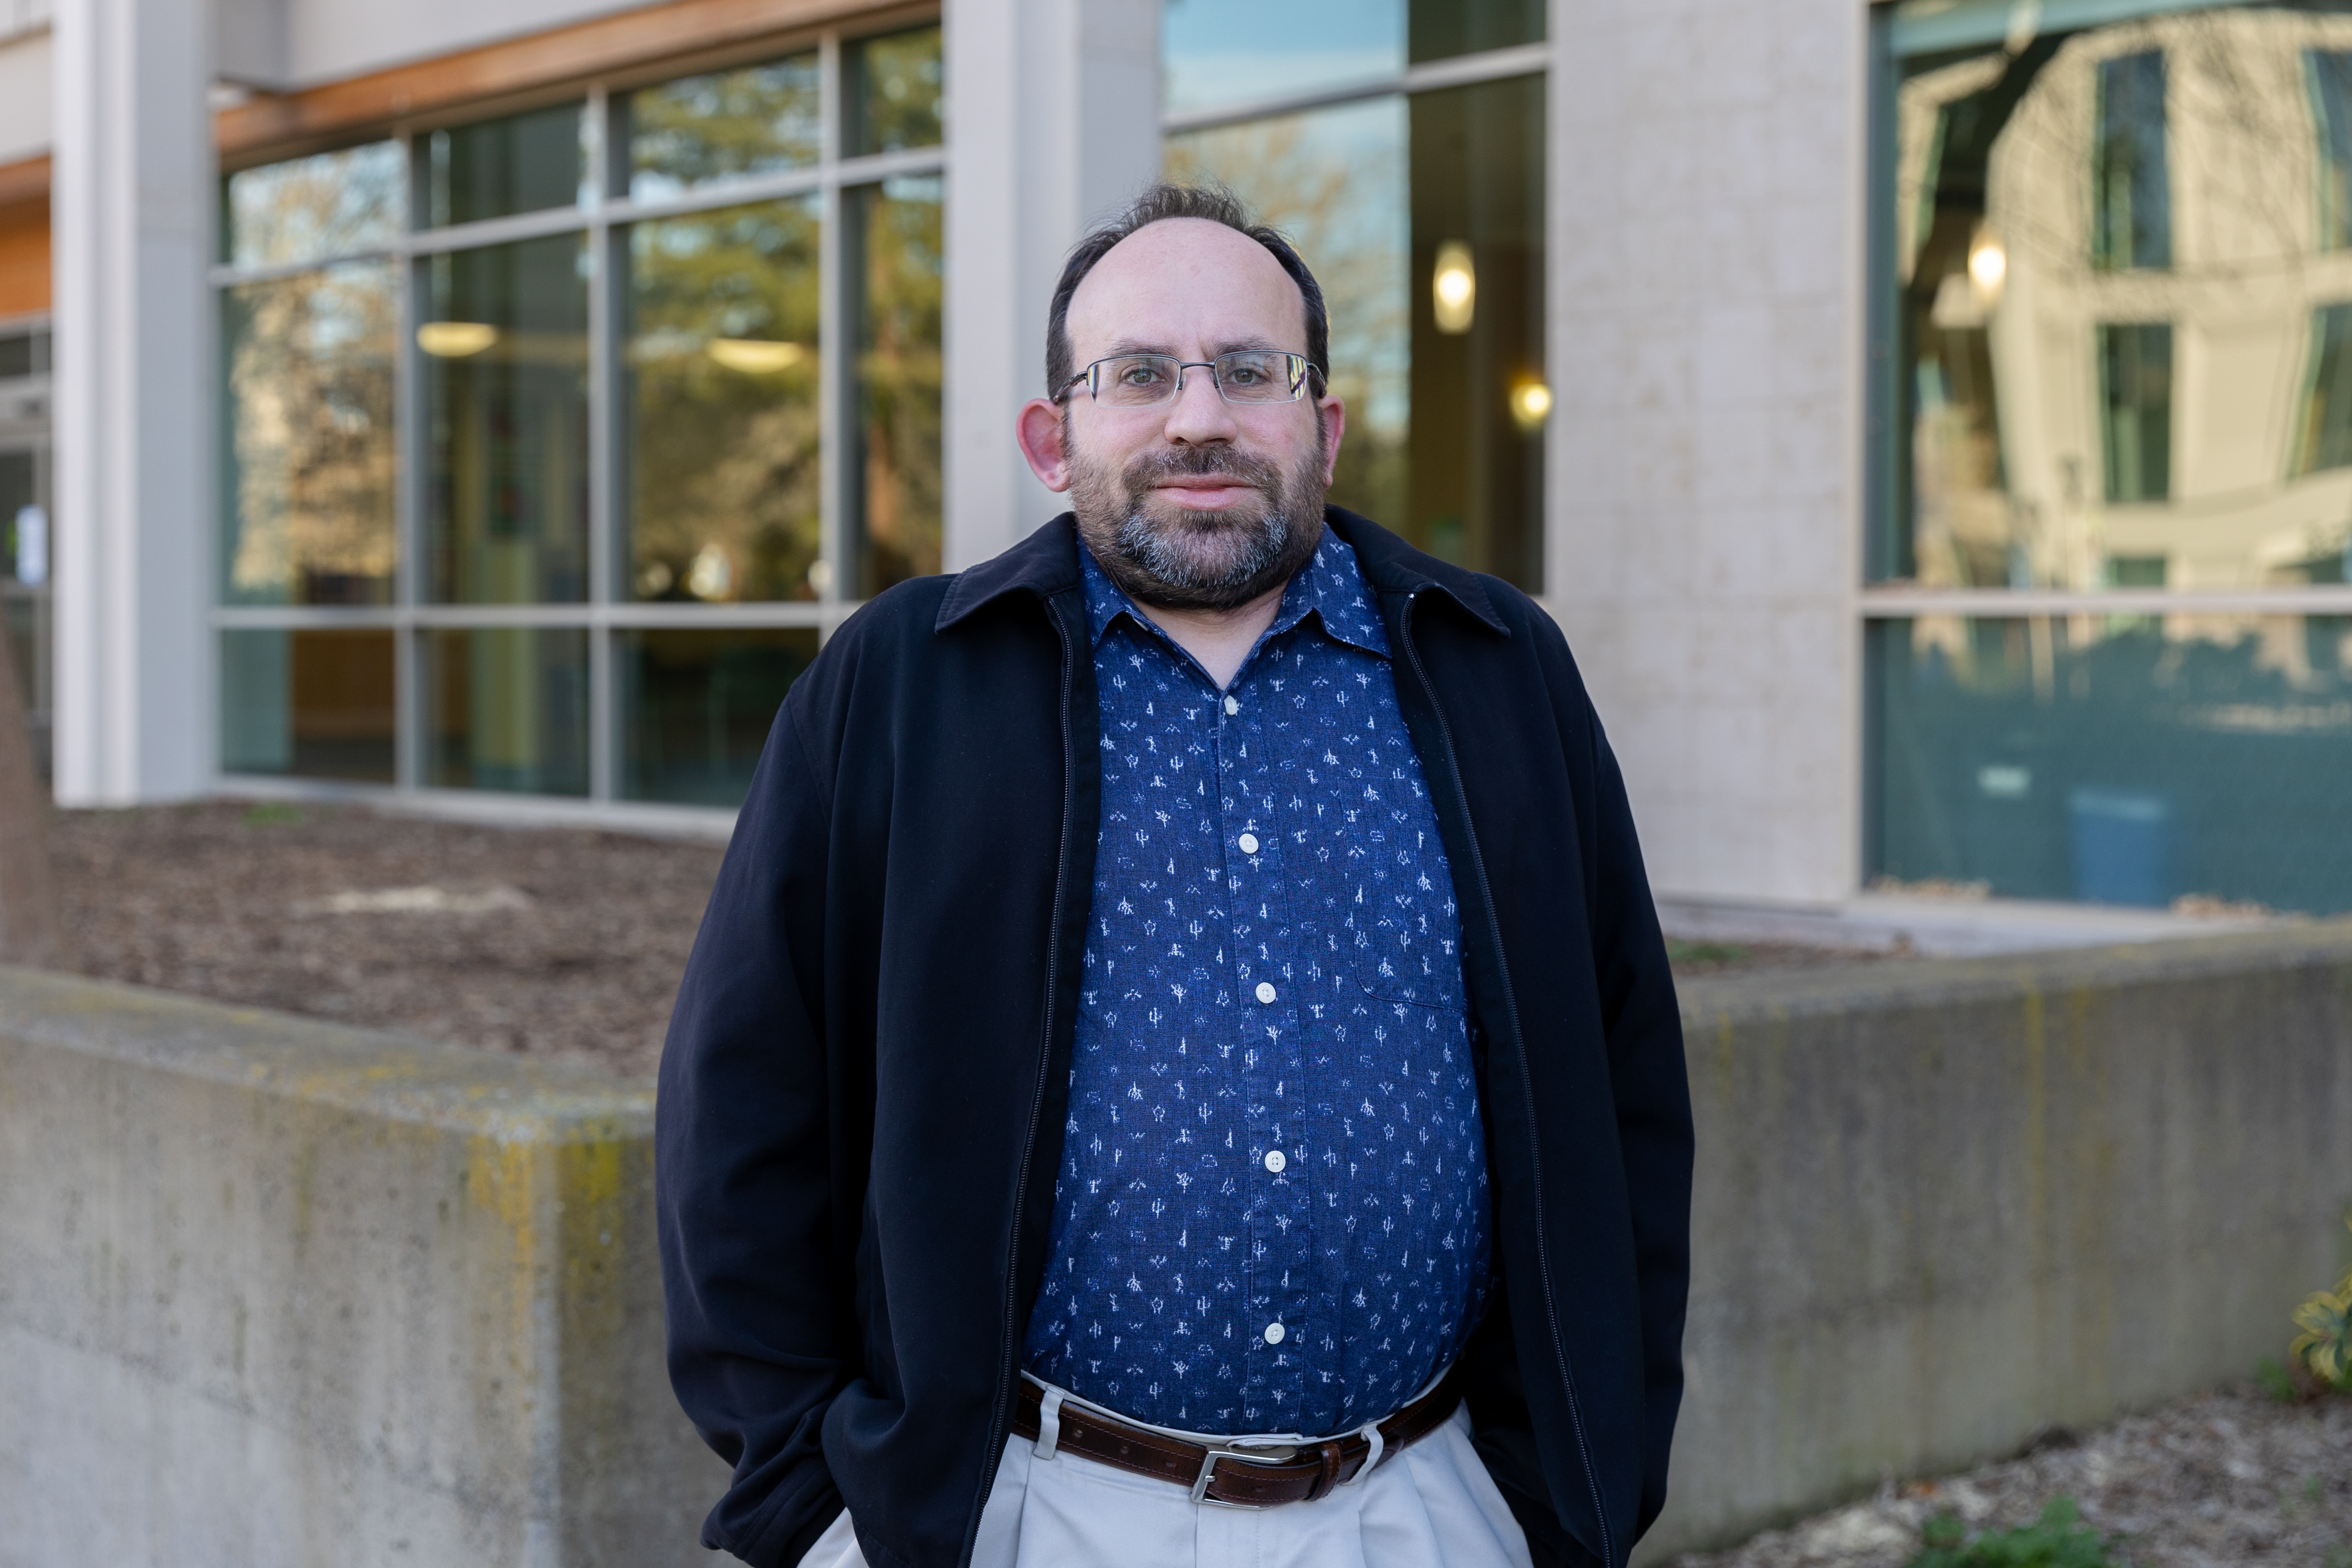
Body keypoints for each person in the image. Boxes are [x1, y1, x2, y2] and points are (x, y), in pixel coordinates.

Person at [656, 184, 1692, 1568]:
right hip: (1031, 1510)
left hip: (1432, 1507)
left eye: (1251, 370)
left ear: (1322, 426)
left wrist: (1575, 1487)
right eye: (1139, 373)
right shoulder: (900, 688)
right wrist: (814, 1509)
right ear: (1052, 436)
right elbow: (743, 1110)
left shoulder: (1497, 670)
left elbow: (1626, 1093)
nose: (1198, 416)